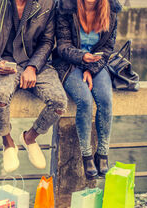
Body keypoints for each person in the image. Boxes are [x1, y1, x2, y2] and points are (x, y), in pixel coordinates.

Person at [0, 0, 67, 172]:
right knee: (0, 95)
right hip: (2, 61)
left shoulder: (48, 3)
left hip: (35, 62)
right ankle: (7, 142)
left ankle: (30, 138)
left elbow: (48, 41)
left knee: (59, 101)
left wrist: (33, 66)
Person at [54, 0, 121, 179]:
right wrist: (83, 58)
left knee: (105, 100)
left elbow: (108, 48)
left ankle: (102, 153)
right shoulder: (66, 7)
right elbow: (63, 46)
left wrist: (91, 69)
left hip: (97, 64)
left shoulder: (112, 10)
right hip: (69, 63)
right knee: (84, 100)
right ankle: (87, 155)